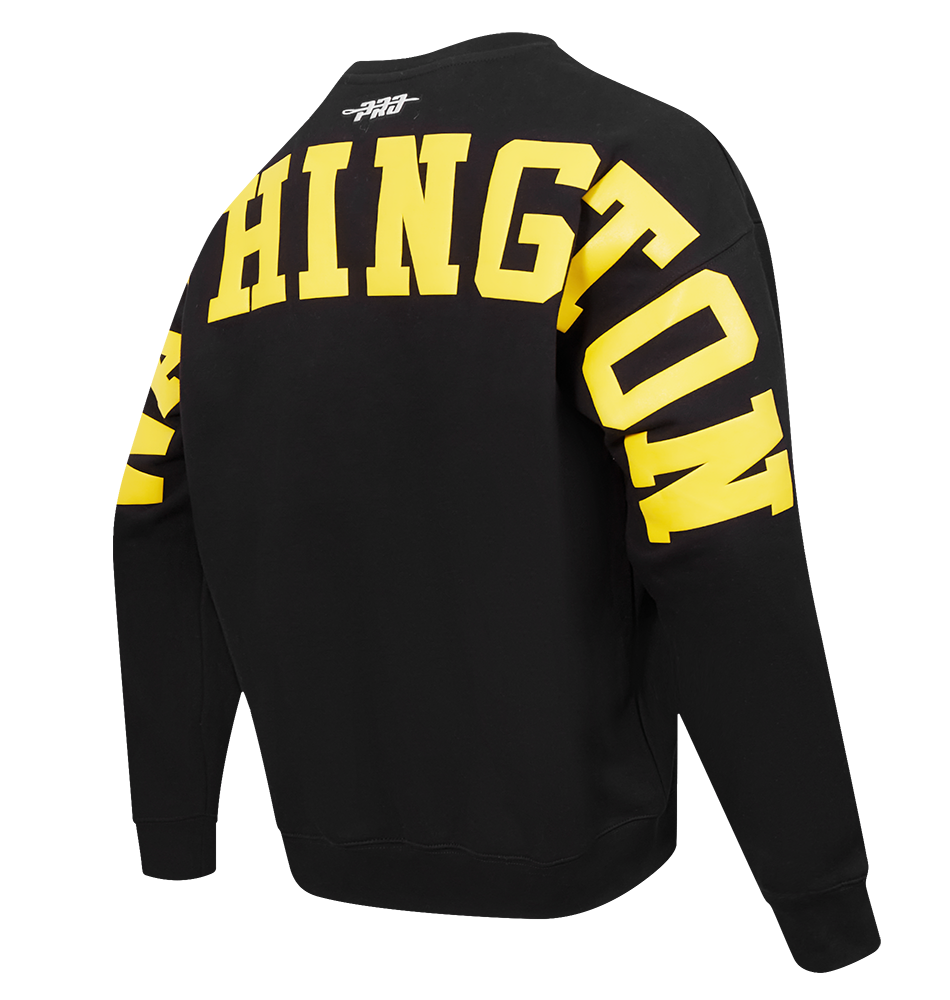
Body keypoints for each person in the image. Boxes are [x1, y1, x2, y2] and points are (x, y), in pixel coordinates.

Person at [114, 32, 878, 971]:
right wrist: (829, 886)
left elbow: (141, 506)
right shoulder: (620, 158)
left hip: (295, 877)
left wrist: (160, 854)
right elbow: (721, 525)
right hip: (593, 895)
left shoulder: (244, 203)